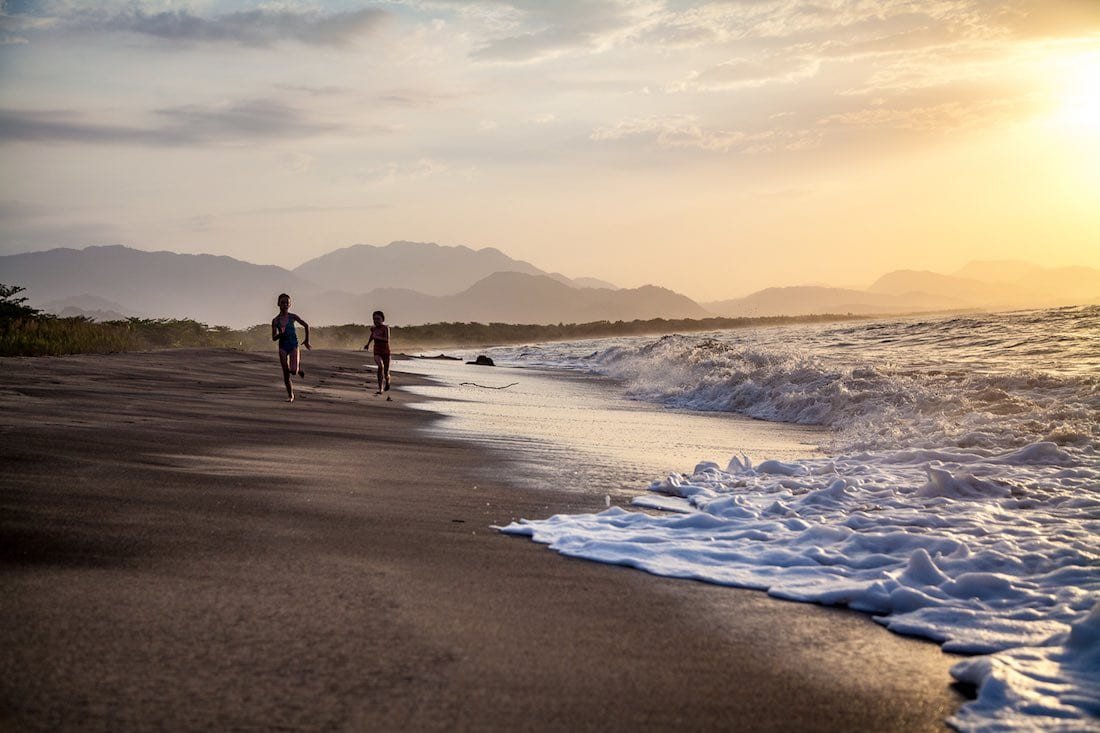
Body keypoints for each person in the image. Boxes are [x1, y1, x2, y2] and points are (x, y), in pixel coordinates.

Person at [271, 293, 310, 402]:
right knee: (285, 372)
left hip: (293, 346)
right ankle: (290, 395)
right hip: (283, 346)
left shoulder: (293, 317)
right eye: (282, 302)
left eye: (287, 303)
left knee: (292, 371)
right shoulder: (276, 320)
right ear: (278, 304)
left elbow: (306, 325)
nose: (284, 305)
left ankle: (297, 370)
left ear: (290, 304)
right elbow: (274, 338)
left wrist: (307, 340)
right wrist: (280, 335)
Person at [363, 310, 391, 395]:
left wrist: (377, 337)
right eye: (374, 319)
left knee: (386, 372)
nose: (376, 321)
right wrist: (368, 344)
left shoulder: (386, 328)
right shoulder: (373, 329)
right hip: (377, 351)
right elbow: (372, 336)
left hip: (386, 352)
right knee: (380, 366)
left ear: (382, 319)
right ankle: (380, 388)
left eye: (378, 319)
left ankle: (387, 380)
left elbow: (386, 339)